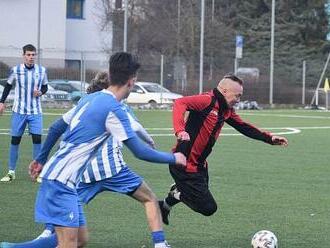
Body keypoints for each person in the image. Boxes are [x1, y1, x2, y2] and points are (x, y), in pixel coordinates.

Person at [0, 71, 176, 248]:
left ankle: (41, 234)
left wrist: (41, 158)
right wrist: (162, 149)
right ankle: (160, 243)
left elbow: (56, 128)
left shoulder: (86, 102)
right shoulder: (115, 106)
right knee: (149, 198)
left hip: (83, 174)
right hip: (111, 170)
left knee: (78, 237)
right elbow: (137, 135)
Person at [158, 74, 289, 225]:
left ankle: (165, 205)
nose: (238, 100)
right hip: (183, 164)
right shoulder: (207, 100)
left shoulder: (226, 110)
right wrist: (180, 130)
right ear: (225, 91)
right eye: (237, 96)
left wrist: (269, 138)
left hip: (200, 165)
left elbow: (244, 127)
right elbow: (180, 102)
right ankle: (179, 192)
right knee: (208, 207)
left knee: (199, 196)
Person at [0, 44, 48, 182]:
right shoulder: (15, 70)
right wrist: (1, 102)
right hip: (19, 111)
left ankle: (37, 173)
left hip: (35, 111)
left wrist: (40, 92)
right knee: (15, 141)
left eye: (33, 55)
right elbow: (8, 87)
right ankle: (11, 172)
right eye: (28, 54)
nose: (31, 57)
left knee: (37, 140)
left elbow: (45, 87)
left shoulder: (42, 70)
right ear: (23, 55)